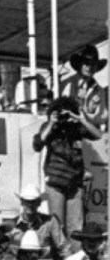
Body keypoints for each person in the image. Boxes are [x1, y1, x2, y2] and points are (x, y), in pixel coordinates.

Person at [34, 97, 103, 236]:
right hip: (55, 183)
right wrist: (52, 122)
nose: (65, 117)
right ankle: (60, 257)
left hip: (75, 184)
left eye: (68, 112)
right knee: (57, 226)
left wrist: (81, 119)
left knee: (76, 228)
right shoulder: (49, 127)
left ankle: (75, 256)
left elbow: (98, 135)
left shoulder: (76, 128)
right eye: (61, 113)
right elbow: (37, 145)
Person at [9, 183, 70, 260]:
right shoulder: (13, 225)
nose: (30, 205)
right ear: (22, 203)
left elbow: (64, 249)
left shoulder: (50, 222)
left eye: (33, 201)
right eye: (27, 201)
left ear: (39, 203)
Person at [59, 44, 108, 130]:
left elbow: (103, 117)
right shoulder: (66, 84)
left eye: (93, 63)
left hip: (89, 133)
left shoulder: (100, 90)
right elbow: (60, 110)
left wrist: (86, 115)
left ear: (96, 66)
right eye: (86, 63)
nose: (89, 67)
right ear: (79, 64)